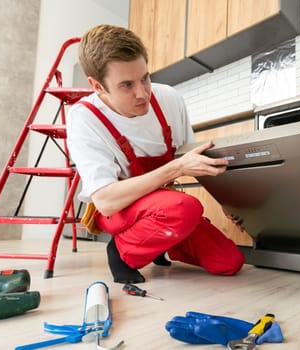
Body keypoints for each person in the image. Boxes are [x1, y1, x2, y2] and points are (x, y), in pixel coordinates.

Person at [66, 24, 245, 284]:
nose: (142, 93)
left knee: (230, 262)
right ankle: (121, 252)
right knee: (184, 208)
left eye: (145, 78)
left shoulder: (169, 99)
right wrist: (175, 169)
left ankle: (161, 243)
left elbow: (195, 159)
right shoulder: (85, 118)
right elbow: (106, 201)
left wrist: (228, 203)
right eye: (127, 85)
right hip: (118, 210)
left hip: (164, 209)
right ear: (98, 87)